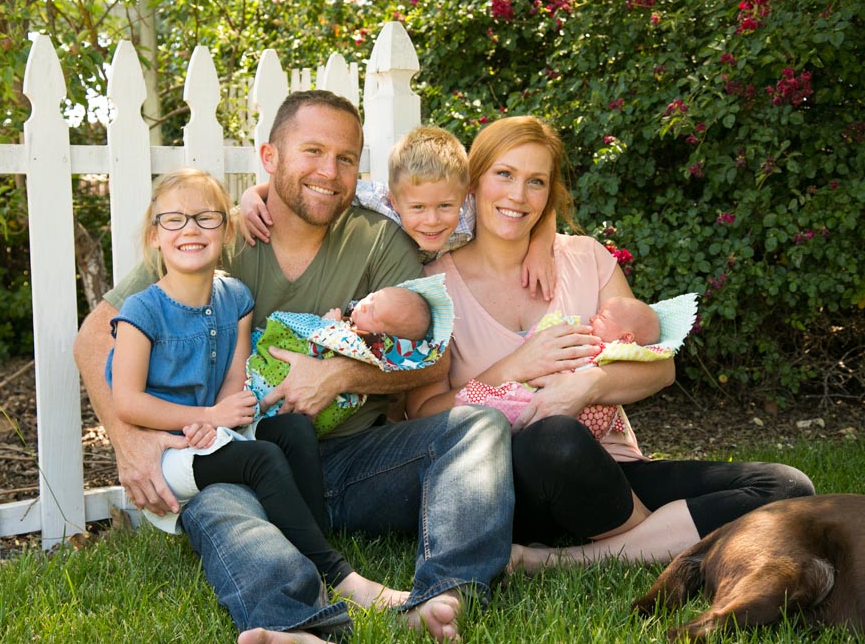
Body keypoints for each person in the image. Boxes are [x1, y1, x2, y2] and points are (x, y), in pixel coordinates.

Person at [73, 90, 513, 644]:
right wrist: (127, 438)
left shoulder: (379, 239)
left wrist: (341, 375)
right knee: (216, 500)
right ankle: (296, 625)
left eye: (346, 158)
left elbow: (433, 364)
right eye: (312, 151)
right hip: (241, 458)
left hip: (350, 463)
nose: (329, 172)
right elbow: (95, 338)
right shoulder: (218, 236)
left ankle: (445, 594)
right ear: (270, 157)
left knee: (479, 425)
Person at [406, 115, 815, 573]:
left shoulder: (585, 258)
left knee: (786, 486)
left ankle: (563, 561)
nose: (518, 196)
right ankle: (663, 537)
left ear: (549, 193)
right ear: (474, 181)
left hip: (614, 471)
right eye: (504, 174)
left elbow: (660, 368)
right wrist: (513, 367)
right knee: (555, 438)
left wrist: (585, 387)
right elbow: (420, 413)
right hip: (514, 481)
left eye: (536, 181)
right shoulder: (433, 286)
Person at [105, 169, 405, 608]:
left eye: (205, 218)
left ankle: (312, 546)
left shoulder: (235, 298)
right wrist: (204, 420)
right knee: (262, 457)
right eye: (173, 219)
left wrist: (225, 415)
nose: (190, 229)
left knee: (294, 429)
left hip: (214, 433)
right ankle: (338, 576)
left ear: (226, 230)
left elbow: (233, 378)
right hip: (166, 449)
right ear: (154, 235)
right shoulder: (141, 312)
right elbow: (128, 402)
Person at [240, 124, 560, 298]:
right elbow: (324, 191)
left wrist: (540, 247)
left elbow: (534, 207)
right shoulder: (380, 199)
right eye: (418, 207)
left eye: (445, 206)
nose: (432, 220)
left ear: (464, 195)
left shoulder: (473, 210)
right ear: (395, 201)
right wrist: (255, 194)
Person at [247, 277, 452, 437]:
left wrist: (328, 326)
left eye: (372, 313)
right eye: (371, 297)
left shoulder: (367, 346)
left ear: (382, 337)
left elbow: (338, 344)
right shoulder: (356, 321)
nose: (363, 305)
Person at [455, 295, 665, 437]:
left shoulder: (616, 352)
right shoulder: (586, 339)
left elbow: (663, 369)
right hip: (554, 424)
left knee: (514, 405)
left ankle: (482, 406)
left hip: (569, 425)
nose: (592, 317)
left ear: (626, 337)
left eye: (601, 317)